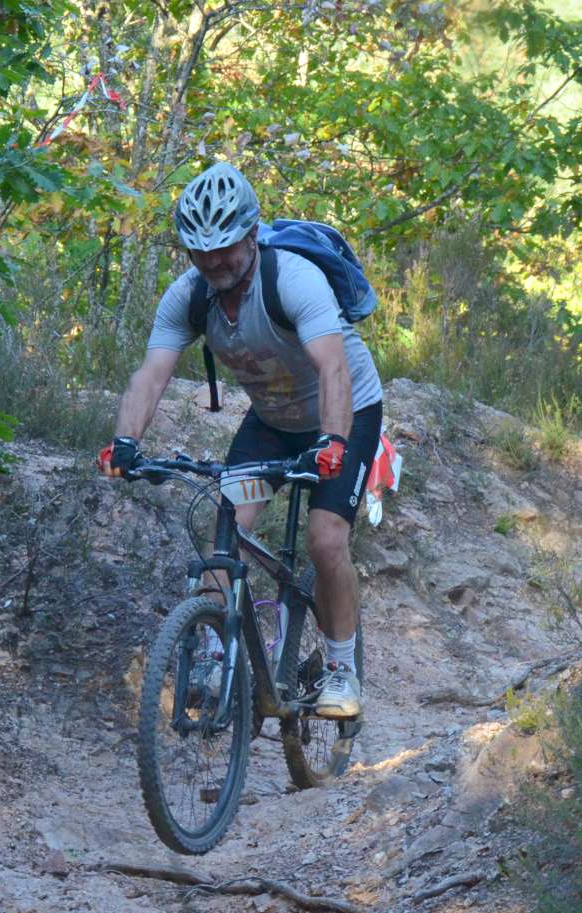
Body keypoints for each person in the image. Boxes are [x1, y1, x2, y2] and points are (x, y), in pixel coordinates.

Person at [97, 162, 382, 719]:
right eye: (199, 251)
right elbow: (151, 374)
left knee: (326, 541)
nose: (213, 262)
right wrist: (123, 442)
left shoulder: (294, 279)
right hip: (271, 421)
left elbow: (333, 368)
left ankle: (342, 669)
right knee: (225, 537)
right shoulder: (188, 297)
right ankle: (211, 654)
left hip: (347, 411)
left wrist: (333, 442)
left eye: (223, 248)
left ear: (252, 234)